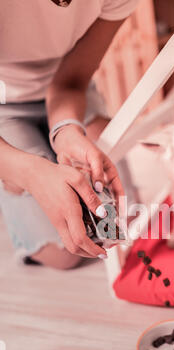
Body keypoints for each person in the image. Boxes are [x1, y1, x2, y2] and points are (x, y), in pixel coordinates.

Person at [0, 0, 139, 269]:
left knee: (125, 217)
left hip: (68, 89)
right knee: (64, 254)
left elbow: (71, 81)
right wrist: (29, 172)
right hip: (4, 104)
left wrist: (66, 130)